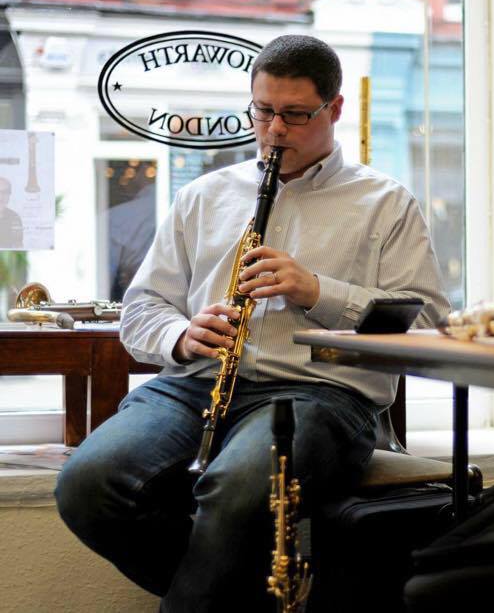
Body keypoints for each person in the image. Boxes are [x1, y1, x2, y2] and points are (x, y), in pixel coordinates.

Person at [55, 35, 451, 612]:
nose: (273, 131)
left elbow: (428, 323)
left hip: (323, 393)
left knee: (241, 491)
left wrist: (318, 291)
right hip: (198, 384)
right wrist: (182, 336)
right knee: (87, 484)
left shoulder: (384, 203)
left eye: (294, 115)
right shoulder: (204, 195)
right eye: (262, 112)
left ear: (334, 110)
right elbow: (142, 308)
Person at [0, 176, 24, 249]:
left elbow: (18, 245)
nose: (1, 196)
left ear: (9, 195)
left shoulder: (15, 218)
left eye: (5, 192)